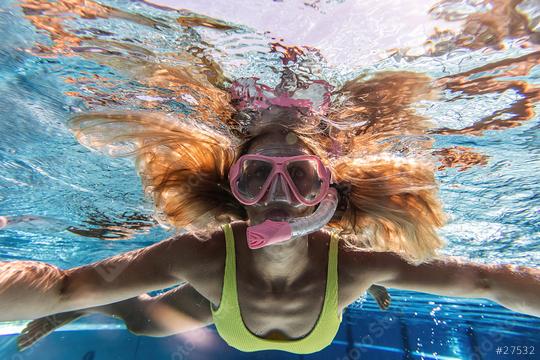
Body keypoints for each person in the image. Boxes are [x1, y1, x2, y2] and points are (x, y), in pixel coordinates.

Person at [1, 71, 539, 355]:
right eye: (256, 174)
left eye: (300, 175)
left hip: (263, 306)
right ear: (235, 188)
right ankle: (107, 307)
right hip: (227, 304)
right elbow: (63, 286)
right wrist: (67, 300)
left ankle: (112, 303)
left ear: (325, 191)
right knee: (142, 322)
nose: (277, 192)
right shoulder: (202, 253)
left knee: (149, 323)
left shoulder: (356, 261)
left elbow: (489, 282)